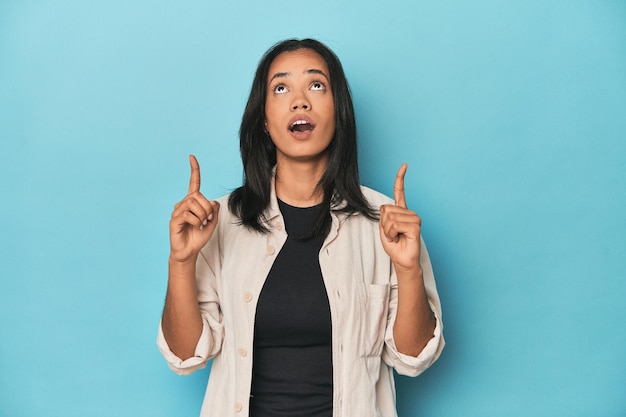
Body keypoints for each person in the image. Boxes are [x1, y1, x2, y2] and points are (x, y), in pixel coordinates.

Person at [157, 38, 444, 417]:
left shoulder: (387, 222)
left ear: (338, 110)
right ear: (263, 119)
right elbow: (185, 356)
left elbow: (412, 358)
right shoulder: (219, 221)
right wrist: (181, 262)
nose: (300, 101)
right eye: (281, 87)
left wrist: (409, 269)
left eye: (316, 85)